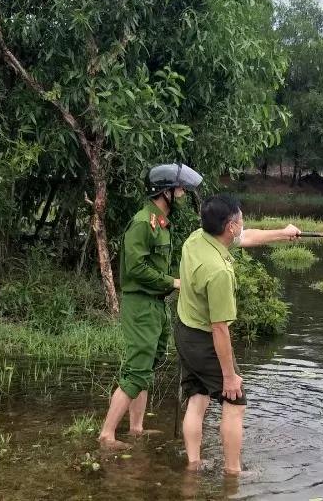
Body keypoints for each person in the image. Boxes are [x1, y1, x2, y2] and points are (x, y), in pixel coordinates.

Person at [174, 194, 300, 474]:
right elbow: (219, 328)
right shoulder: (218, 271)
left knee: (197, 396)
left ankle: (193, 464)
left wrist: (284, 233)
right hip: (205, 339)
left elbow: (249, 237)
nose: (244, 224)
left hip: (184, 332)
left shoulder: (197, 238)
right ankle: (233, 472)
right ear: (230, 226)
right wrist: (230, 376)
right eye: (241, 220)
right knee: (235, 402)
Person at [97, 162, 203, 449]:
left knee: (148, 364)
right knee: (137, 369)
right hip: (140, 304)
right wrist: (173, 282)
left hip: (155, 305)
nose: (182, 195)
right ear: (165, 191)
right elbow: (135, 269)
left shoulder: (161, 224)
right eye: (179, 189)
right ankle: (107, 435)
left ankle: (136, 428)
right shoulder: (143, 222)